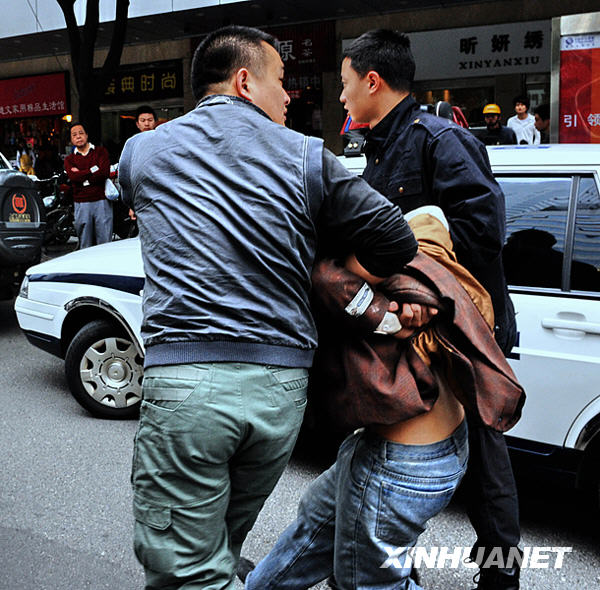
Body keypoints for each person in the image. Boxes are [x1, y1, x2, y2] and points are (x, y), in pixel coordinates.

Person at [119, 25, 429, 590]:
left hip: (189, 387)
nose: (289, 97)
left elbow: (139, 199)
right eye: (280, 82)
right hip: (280, 393)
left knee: (189, 568)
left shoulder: (142, 150)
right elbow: (395, 239)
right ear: (244, 81)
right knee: (216, 551)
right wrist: (333, 272)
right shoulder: (309, 157)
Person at [242, 204, 525, 590]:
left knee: (366, 583)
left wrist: (390, 306)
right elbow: (432, 217)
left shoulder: (341, 266)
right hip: (412, 448)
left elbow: (337, 276)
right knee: (316, 526)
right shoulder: (411, 249)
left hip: (404, 463)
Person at [63, 122, 112, 249]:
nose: (78, 137)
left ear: (87, 135)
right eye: (74, 135)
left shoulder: (100, 152)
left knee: (105, 241)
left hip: (101, 200)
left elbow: (103, 173)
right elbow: (73, 177)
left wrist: (81, 174)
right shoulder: (69, 159)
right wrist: (91, 170)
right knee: (85, 243)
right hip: (81, 202)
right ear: (71, 139)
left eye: (81, 133)